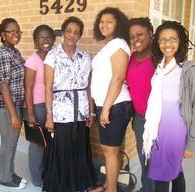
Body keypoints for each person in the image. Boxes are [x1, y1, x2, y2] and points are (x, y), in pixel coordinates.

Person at [42, 16, 99, 192]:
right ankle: (62, 187)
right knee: (62, 149)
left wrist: (91, 112)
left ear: (79, 35)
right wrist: (49, 115)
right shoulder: (52, 55)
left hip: (81, 109)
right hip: (60, 110)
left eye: (76, 32)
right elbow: (48, 87)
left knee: (80, 148)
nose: (72, 35)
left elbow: (89, 87)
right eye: (68, 31)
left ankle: (79, 185)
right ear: (63, 32)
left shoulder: (85, 57)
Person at [142, 21, 195, 192]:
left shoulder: (188, 70)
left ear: (181, 42)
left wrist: (192, 143)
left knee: (162, 175)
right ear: (157, 43)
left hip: (174, 132)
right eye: (162, 40)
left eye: (173, 39)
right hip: (158, 129)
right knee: (176, 170)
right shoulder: (160, 68)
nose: (167, 44)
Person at [91, 7, 133, 192]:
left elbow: (118, 78)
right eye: (102, 21)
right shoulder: (109, 45)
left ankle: (111, 190)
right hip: (107, 105)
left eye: (109, 21)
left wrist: (106, 108)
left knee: (110, 151)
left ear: (118, 24)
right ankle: (109, 185)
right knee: (109, 150)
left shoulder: (119, 45)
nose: (104, 24)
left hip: (115, 105)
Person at [0, 18, 27, 189]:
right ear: (2, 34)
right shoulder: (3, 54)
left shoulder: (15, 51)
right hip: (6, 105)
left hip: (16, 102)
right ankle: (5, 178)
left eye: (18, 31)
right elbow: (3, 85)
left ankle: (10, 172)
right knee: (8, 142)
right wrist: (13, 114)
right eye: (11, 31)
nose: (16, 34)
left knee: (12, 142)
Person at [24, 24, 55, 186]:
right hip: (36, 107)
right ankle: (37, 179)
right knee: (37, 144)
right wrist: (30, 113)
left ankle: (47, 173)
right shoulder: (32, 60)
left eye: (49, 37)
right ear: (36, 41)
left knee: (49, 143)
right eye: (42, 37)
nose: (46, 40)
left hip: (51, 107)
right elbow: (28, 89)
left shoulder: (53, 58)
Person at [126, 17, 155, 192]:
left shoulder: (158, 58)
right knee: (144, 158)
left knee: (155, 162)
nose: (136, 39)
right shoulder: (132, 57)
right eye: (132, 36)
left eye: (140, 34)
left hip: (157, 120)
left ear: (150, 34)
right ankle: (146, 188)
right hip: (139, 118)